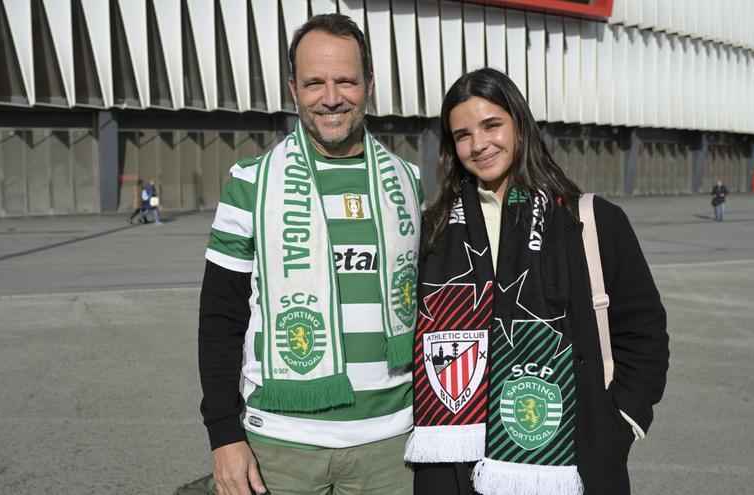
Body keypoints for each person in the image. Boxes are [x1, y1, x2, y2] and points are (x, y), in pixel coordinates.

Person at [404, 68, 669, 495]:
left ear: (520, 127)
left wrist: (619, 423)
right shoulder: (434, 231)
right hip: (458, 460)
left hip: (571, 455)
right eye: (462, 134)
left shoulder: (590, 220)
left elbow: (644, 332)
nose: (479, 144)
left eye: (492, 125)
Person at [198, 14, 423, 495]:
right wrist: (223, 436)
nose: (332, 97)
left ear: (370, 84)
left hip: (393, 445)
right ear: (293, 89)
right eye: (314, 82)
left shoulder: (410, 184)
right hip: (279, 447)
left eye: (346, 80)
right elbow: (220, 317)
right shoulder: (250, 183)